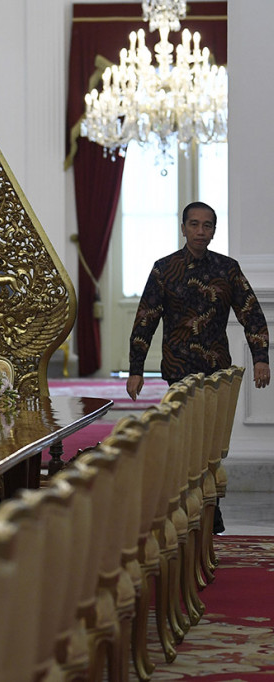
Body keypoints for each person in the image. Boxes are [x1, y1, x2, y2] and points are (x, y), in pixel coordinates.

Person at [126, 201, 270, 534]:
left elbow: (252, 314)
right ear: (183, 228)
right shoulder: (165, 269)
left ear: (214, 231)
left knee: (211, 446)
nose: (200, 231)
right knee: (182, 446)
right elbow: (145, 319)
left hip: (216, 372)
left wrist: (260, 358)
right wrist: (136, 368)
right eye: (194, 225)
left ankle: (210, 511)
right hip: (178, 371)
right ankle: (182, 512)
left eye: (207, 226)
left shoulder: (227, 269)